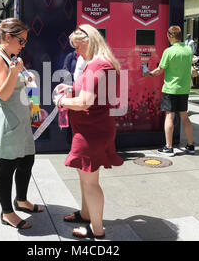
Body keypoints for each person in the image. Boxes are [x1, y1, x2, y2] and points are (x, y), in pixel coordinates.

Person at [53, 24, 123, 239]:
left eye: (78, 46)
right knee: (86, 176)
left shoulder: (96, 65)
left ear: (89, 41)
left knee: (90, 182)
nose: (76, 52)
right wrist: (71, 90)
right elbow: (93, 95)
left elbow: (85, 102)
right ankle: (86, 214)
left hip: (90, 131)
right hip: (92, 128)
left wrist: (61, 100)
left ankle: (97, 229)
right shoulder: (102, 63)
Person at [0, 18, 42, 230]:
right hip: (7, 121)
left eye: (25, 41)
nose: (23, 45)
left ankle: (22, 199)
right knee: (7, 166)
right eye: (21, 40)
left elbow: (23, 87)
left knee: (27, 160)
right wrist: (16, 72)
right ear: (7, 37)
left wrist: (34, 106)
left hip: (21, 118)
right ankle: (7, 212)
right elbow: (3, 93)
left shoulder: (12, 57)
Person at [146, 25, 195, 157]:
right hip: (184, 89)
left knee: (170, 116)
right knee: (184, 117)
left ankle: (168, 147)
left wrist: (148, 73)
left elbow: (160, 70)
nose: (167, 37)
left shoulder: (169, 51)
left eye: (168, 35)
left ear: (171, 36)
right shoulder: (188, 50)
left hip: (171, 89)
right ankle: (190, 146)